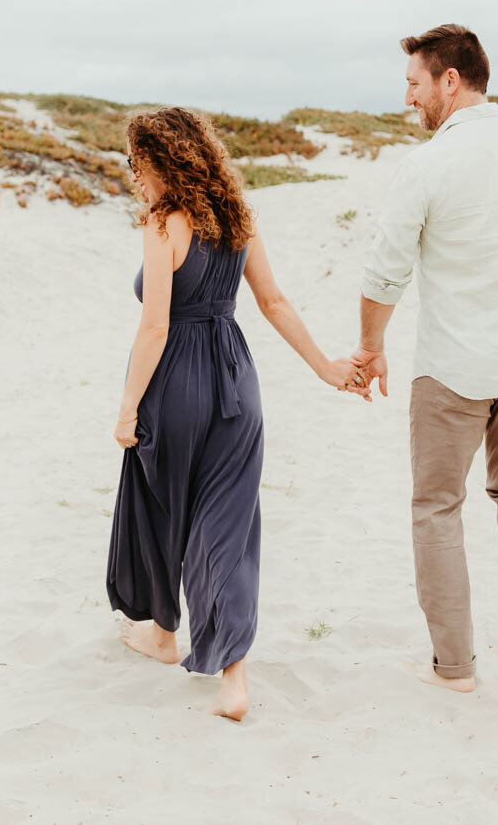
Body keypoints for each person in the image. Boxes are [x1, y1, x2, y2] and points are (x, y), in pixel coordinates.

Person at [348, 23, 498, 699]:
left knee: (437, 506)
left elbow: (383, 274)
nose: (407, 96)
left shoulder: (428, 164)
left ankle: (454, 666)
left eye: (413, 81)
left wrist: (370, 347)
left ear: (449, 79)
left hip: (451, 368)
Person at [106, 106, 358, 722]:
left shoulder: (165, 222)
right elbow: (272, 300)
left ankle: (163, 635)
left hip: (177, 382)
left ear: (165, 160)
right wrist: (326, 367)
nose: (135, 177)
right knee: (229, 527)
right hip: (236, 381)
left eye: (137, 164)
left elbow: (155, 326)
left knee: (157, 502)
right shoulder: (236, 216)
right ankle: (233, 677)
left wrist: (126, 407)